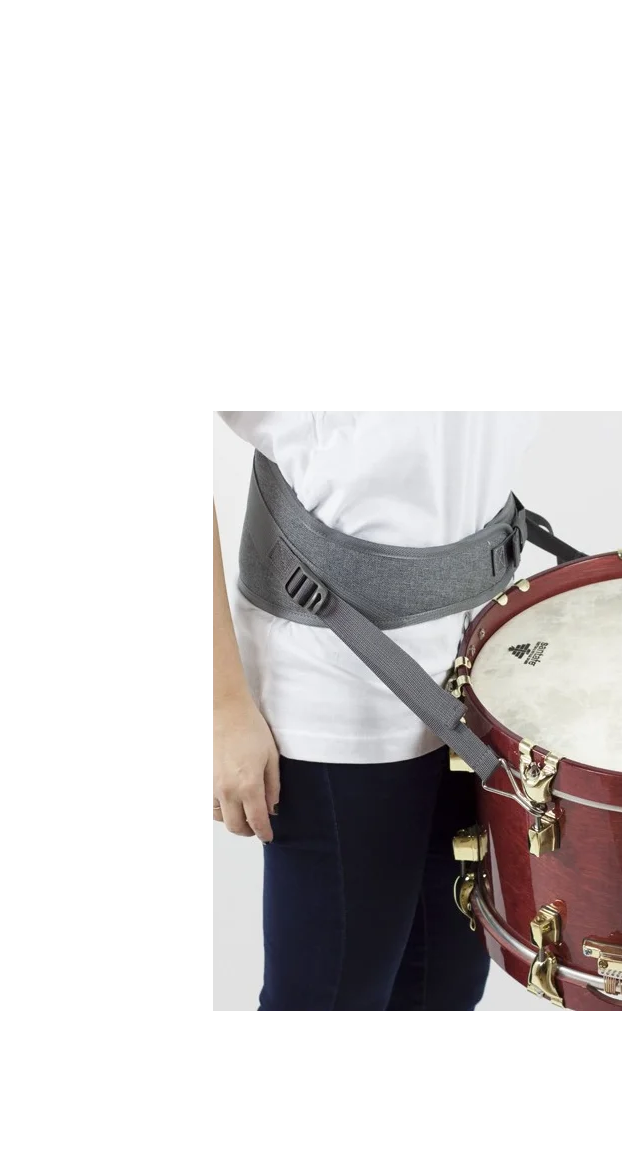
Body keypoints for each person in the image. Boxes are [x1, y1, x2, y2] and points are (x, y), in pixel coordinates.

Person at [211, 409, 541, 1015]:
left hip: (480, 672)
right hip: (336, 693)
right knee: (327, 1009)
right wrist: (221, 704)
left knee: (445, 996)